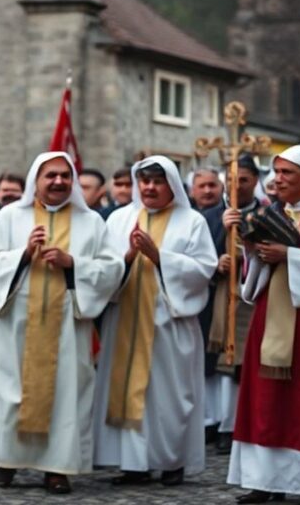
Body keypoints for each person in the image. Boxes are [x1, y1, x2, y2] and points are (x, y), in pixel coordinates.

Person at [0, 152, 123, 493]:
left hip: (68, 325)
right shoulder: (10, 217)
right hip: (15, 324)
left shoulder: (92, 222)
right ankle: (7, 459)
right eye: (50, 176)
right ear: (35, 182)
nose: (58, 182)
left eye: (64, 176)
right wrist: (23, 255)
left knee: (66, 395)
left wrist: (74, 263)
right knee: (12, 393)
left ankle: (58, 468)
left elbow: (113, 269)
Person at [228, 145, 300, 504]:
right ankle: (266, 480)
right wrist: (251, 249)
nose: (277, 179)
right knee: (267, 400)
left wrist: (290, 256)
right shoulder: (273, 212)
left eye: (287, 173)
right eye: (276, 172)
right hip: (273, 316)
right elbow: (257, 271)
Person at [92, 156, 217, 487]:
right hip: (124, 321)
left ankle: (171, 461)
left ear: (171, 185)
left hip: (169, 323)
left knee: (168, 396)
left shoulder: (192, 221)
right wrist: (129, 258)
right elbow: (102, 267)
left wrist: (160, 257)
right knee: (126, 391)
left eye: (157, 181)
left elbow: (204, 268)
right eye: (144, 180)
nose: (149, 187)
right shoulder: (120, 219)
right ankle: (133, 464)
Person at [199, 155, 265, 454]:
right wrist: (216, 261)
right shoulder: (211, 216)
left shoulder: (266, 213)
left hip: (251, 296)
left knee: (240, 364)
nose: (237, 185)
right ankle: (213, 422)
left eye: (244, 179)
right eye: (232, 178)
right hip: (217, 297)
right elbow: (198, 253)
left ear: (255, 181)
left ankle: (233, 424)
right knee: (215, 363)